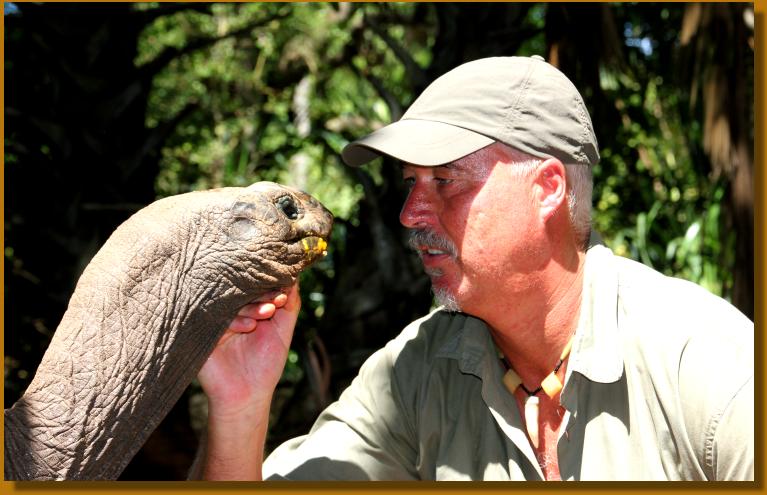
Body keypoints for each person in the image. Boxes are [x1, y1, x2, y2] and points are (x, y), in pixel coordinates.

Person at [194, 56, 754, 481]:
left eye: (445, 180)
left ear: (547, 189)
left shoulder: (704, 365)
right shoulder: (418, 371)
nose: (411, 213)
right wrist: (240, 404)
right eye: (412, 183)